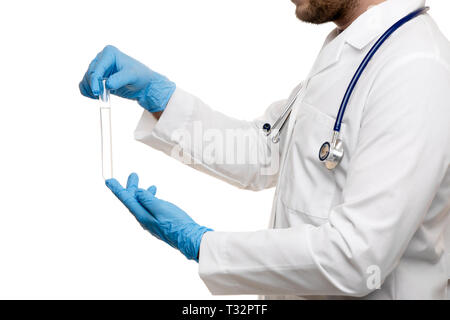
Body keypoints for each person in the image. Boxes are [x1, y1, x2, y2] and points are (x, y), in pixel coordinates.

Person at [79, 0, 450, 299]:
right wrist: (159, 97)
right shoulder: (354, 46)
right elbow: (267, 150)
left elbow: (356, 258)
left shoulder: (414, 68)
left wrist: (203, 244)